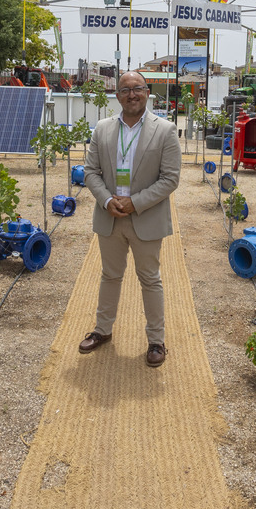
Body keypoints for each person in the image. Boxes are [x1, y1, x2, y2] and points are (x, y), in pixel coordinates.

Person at [79, 70, 182, 367]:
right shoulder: (102, 129)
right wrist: (107, 199)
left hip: (145, 217)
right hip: (110, 215)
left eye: (137, 88)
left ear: (148, 92)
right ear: (117, 95)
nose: (132, 94)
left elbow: (170, 179)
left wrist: (135, 203)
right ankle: (102, 330)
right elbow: (91, 173)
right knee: (110, 276)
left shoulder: (165, 130)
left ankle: (156, 341)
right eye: (125, 90)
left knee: (150, 279)